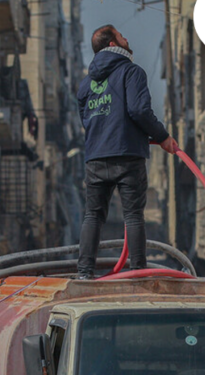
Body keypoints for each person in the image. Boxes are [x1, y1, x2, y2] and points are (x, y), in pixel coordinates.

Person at [76, 24, 178, 279]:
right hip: (127, 154)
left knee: (93, 216)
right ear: (112, 44)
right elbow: (139, 111)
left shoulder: (85, 85)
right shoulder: (131, 72)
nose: (127, 38)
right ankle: (138, 272)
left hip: (95, 158)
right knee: (133, 215)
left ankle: (84, 273)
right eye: (122, 36)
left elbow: (85, 120)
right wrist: (163, 137)